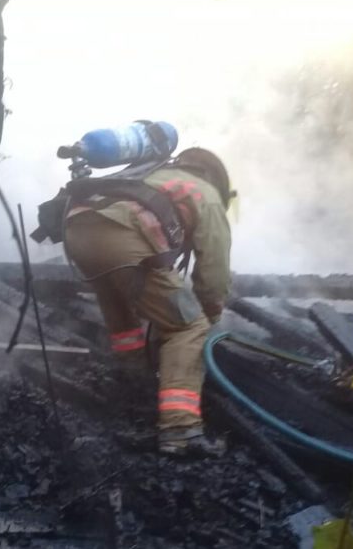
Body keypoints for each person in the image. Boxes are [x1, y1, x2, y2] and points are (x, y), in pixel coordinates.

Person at [63, 147, 233, 456]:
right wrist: (209, 314)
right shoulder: (207, 195)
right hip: (122, 239)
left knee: (125, 323)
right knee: (189, 328)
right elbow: (214, 271)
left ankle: (137, 394)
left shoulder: (155, 174)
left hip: (78, 231)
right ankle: (180, 431)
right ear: (216, 179)